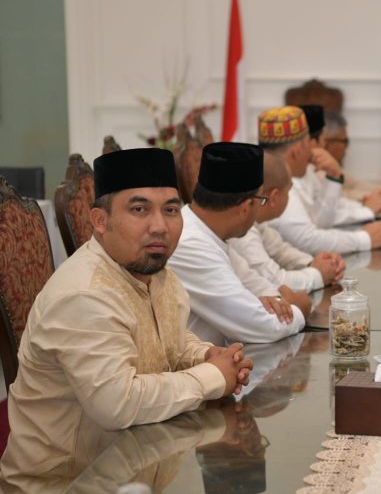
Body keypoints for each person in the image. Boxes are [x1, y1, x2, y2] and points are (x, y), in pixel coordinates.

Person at [0, 148, 253, 489]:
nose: (160, 226)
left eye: (171, 210)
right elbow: (118, 404)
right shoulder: (85, 295)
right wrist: (212, 377)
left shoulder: (155, 272)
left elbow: (168, 338)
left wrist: (206, 355)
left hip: (137, 466)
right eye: (139, 209)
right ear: (100, 222)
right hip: (66, 484)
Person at [168, 142, 308, 345]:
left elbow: (265, 290)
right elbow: (262, 326)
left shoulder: (210, 234)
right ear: (245, 207)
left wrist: (276, 301)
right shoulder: (189, 243)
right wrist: (300, 308)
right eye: (261, 199)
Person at [260, 105, 381, 254]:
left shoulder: (301, 174)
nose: (313, 150)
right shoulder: (275, 186)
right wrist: (364, 239)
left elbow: (321, 222)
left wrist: (333, 178)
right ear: (297, 151)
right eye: (308, 143)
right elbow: (308, 240)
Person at [227, 151, 345, 292]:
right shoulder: (242, 231)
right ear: (274, 196)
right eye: (289, 191)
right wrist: (319, 275)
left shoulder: (256, 221)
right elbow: (273, 282)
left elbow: (280, 250)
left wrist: (314, 263)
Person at [300, 104, 381, 224]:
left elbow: (333, 207)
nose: (325, 146)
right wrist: (368, 208)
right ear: (312, 143)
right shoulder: (303, 173)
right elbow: (317, 226)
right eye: (324, 140)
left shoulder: (310, 171)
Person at [324, 109, 381, 204]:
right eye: (344, 141)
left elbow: (354, 185)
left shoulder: (331, 165)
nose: (347, 147)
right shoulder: (315, 167)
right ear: (326, 143)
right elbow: (341, 198)